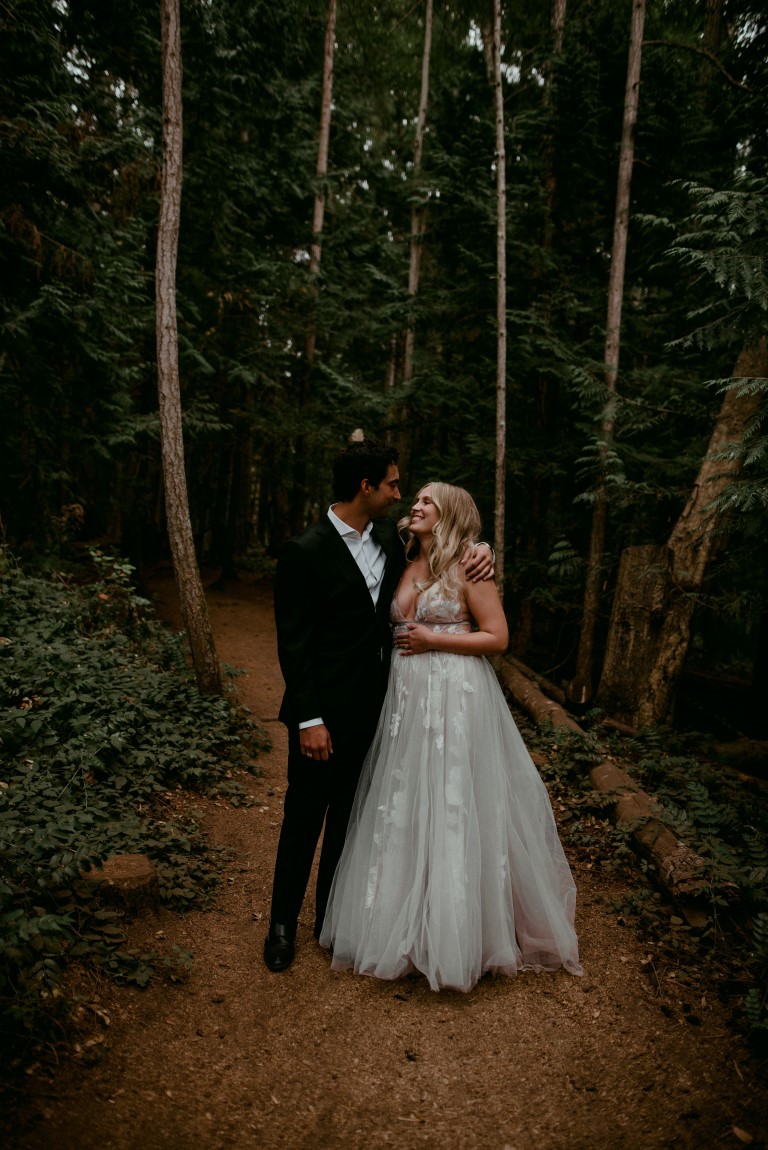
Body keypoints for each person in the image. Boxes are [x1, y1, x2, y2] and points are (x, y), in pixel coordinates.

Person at [320, 482, 583, 992]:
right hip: (406, 702)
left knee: (454, 804)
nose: (413, 506)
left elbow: (498, 637)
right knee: (402, 804)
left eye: (426, 502)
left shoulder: (469, 565)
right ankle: (397, 927)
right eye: (413, 499)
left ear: (451, 513)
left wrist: (434, 636)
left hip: (457, 699)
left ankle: (459, 934)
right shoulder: (402, 558)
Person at [264, 443, 494, 973]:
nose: (399, 493)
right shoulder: (305, 550)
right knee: (304, 816)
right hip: (321, 713)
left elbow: (450, 550)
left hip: (382, 707)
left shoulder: (395, 544)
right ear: (366, 486)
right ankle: (281, 926)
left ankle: (331, 919)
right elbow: (292, 646)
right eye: (392, 484)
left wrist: (485, 549)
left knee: (352, 816)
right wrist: (309, 718)